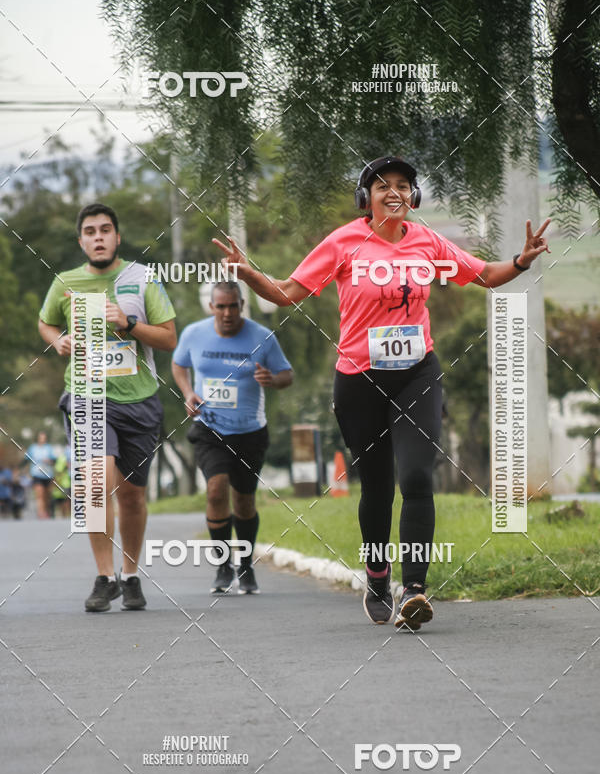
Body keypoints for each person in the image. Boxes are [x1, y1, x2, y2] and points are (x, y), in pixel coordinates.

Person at [213, 155, 551, 629]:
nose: (394, 192)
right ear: (366, 197)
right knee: (377, 487)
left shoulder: (427, 241)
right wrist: (249, 275)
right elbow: (289, 291)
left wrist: (520, 259)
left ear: (413, 196)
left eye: (404, 185)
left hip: (418, 373)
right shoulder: (345, 242)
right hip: (359, 380)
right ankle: (377, 575)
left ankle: (413, 589)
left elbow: (484, 275)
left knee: (416, 476)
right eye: (382, 185)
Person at [38, 203, 177, 612]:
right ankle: (105, 576)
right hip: (87, 395)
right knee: (96, 483)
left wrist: (129, 325)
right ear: (81, 240)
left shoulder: (141, 278)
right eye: (90, 231)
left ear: (117, 237)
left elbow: (169, 339)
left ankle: (131, 576)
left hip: (138, 400)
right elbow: (45, 320)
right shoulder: (66, 282)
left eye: (105, 230)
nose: (98, 237)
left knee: (133, 496)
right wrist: (56, 340)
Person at [171, 280, 293, 594]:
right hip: (210, 428)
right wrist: (187, 393)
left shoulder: (262, 337)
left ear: (241, 305)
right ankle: (223, 567)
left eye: (233, 306)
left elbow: (286, 374)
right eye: (220, 306)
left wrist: (272, 379)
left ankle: (246, 565)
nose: (227, 313)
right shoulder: (194, 334)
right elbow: (178, 364)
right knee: (215, 490)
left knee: (244, 502)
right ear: (211, 307)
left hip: (250, 432)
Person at [24, 431, 56, 519]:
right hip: (36, 474)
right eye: (41, 438)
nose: (43, 440)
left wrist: (49, 461)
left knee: (46, 495)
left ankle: (46, 510)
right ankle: (41, 513)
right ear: (38, 438)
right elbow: (26, 459)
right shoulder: (33, 448)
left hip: (47, 474)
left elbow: (54, 460)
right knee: (40, 493)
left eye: (44, 438)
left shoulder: (49, 448)